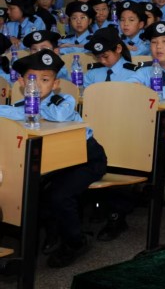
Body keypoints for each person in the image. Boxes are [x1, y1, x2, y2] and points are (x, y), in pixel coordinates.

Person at [0, 50, 107, 267]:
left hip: (86, 159)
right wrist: (22, 111)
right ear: (21, 82)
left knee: (60, 196)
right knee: (32, 191)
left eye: (45, 80)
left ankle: (76, 242)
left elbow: (59, 116)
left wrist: (29, 110)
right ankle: (50, 233)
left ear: (56, 83)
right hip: (53, 161)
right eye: (32, 79)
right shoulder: (20, 107)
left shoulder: (64, 101)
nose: (38, 85)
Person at [103, 21, 165, 244]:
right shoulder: (144, 70)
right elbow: (130, 89)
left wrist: (155, 93)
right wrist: (152, 92)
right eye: (154, 42)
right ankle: (117, 213)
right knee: (123, 156)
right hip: (151, 129)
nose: (158, 47)